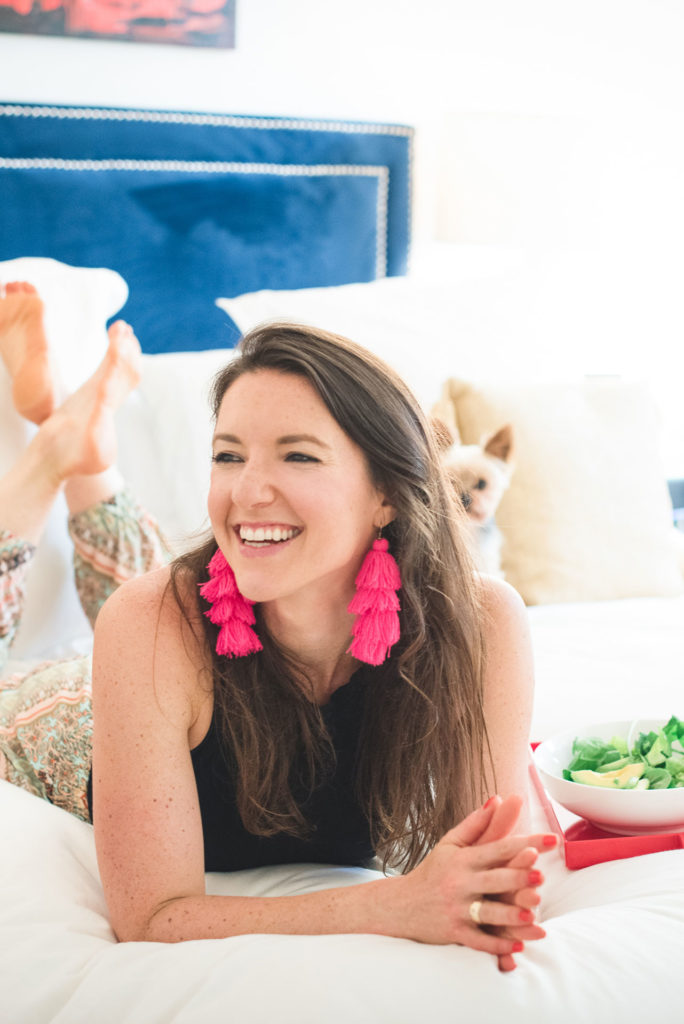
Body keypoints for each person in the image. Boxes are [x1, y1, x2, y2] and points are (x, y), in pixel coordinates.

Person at [0, 283, 556, 973]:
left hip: (161, 659)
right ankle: (58, 449)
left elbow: (492, 870)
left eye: (297, 455)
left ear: (387, 493)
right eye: (228, 455)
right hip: (56, 721)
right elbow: (149, 916)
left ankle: (79, 440)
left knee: (150, 594)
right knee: (144, 605)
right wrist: (392, 906)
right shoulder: (150, 624)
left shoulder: (483, 622)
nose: (246, 491)